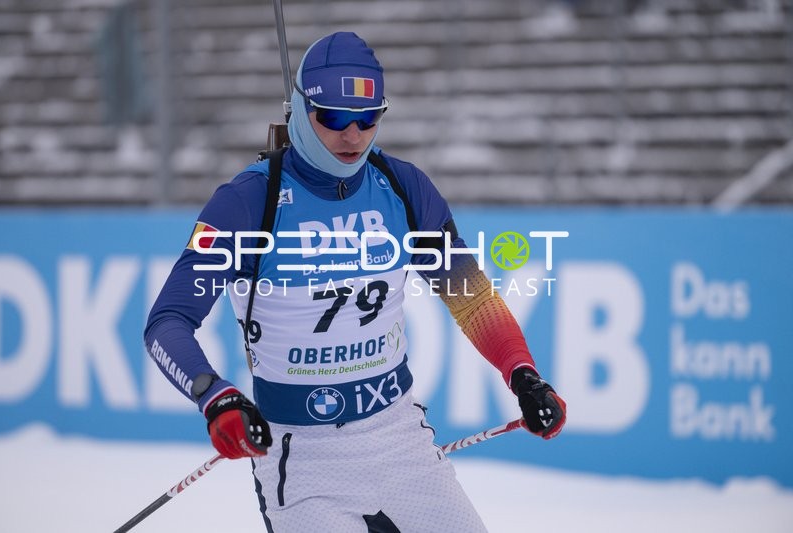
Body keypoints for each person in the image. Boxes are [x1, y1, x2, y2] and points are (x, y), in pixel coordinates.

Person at [145, 31, 566, 532]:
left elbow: (472, 300)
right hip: (301, 457)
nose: (353, 136)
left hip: (399, 440)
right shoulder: (247, 202)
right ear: (301, 110)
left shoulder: (404, 188)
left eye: (368, 119)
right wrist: (216, 395)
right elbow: (167, 322)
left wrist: (523, 374)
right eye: (334, 118)